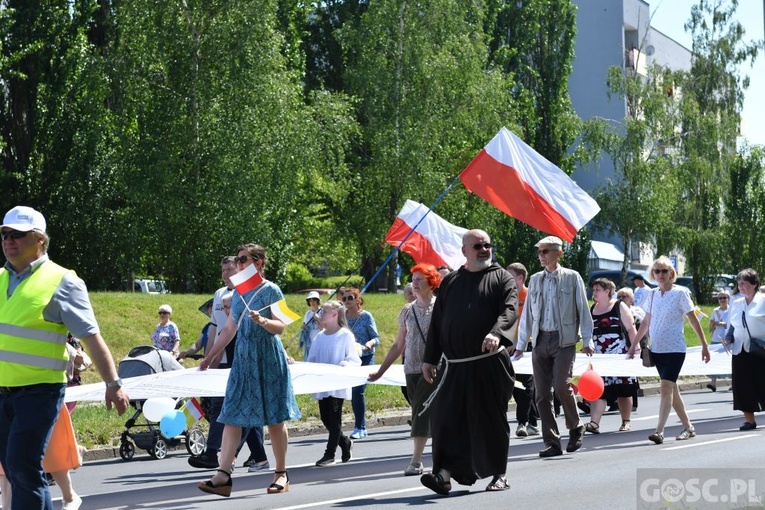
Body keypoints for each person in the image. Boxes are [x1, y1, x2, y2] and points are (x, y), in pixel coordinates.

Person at [0, 205, 129, 509]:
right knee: (15, 470)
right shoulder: (0, 278)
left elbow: (91, 336)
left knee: (22, 467)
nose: (9, 240)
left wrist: (113, 382)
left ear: (39, 239)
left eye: (17, 234)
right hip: (3, 392)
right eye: (5, 234)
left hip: (40, 391)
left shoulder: (62, 281)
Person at [198, 244, 300, 497]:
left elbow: (281, 327)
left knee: (275, 418)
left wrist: (264, 320)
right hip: (243, 360)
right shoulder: (239, 292)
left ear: (259, 262)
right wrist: (210, 356)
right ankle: (223, 475)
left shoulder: (271, 289)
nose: (239, 264)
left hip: (267, 358)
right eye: (238, 260)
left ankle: (281, 474)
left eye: (243, 259)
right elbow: (229, 329)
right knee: (232, 414)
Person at [420, 229, 516, 494]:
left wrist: (496, 333)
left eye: (487, 245)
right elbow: (438, 323)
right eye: (478, 246)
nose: (484, 249)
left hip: (489, 362)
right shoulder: (451, 281)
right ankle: (444, 474)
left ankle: (499, 474)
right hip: (455, 365)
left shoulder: (502, 278)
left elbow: (510, 310)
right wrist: (430, 358)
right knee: (445, 417)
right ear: (465, 251)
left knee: (489, 419)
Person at [515, 236, 593, 458]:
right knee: (541, 394)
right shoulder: (537, 280)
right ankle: (552, 442)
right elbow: (529, 314)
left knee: (561, 386)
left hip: (564, 339)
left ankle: (576, 426)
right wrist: (522, 343)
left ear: (558, 253)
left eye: (546, 251)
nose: (541, 255)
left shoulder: (572, 277)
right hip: (540, 340)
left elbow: (582, 309)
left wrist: (587, 340)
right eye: (539, 251)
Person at [369, 263, 442, 476]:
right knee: (424, 411)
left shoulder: (440, 308)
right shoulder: (407, 311)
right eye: (413, 280)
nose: (415, 284)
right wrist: (381, 371)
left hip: (434, 369)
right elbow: (398, 344)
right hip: (410, 369)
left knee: (421, 411)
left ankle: (416, 461)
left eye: (420, 279)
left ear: (431, 282)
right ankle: (441, 456)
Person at [629, 256, 711, 444]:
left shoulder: (681, 293)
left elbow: (693, 319)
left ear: (671, 273)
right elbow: (646, 321)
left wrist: (704, 345)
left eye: (664, 271)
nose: (660, 274)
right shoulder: (652, 294)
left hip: (674, 348)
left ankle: (659, 431)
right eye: (657, 271)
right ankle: (688, 427)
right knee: (672, 389)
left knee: (666, 387)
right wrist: (634, 344)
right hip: (657, 349)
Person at [186, 257, 237, 470]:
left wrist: (214, 357)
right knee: (220, 407)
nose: (225, 273)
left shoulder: (243, 294)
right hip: (218, 358)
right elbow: (215, 329)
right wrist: (207, 360)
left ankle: (225, 454)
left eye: (229, 269)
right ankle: (214, 453)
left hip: (236, 356)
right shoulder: (218, 295)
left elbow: (230, 331)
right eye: (223, 269)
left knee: (237, 408)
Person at [306, 300, 361, 466]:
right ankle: (345, 442)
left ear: (335, 314)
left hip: (337, 383)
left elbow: (353, 359)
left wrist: (344, 365)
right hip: (323, 383)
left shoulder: (345, 335)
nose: (321, 314)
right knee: (325, 418)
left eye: (325, 311)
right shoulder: (319, 337)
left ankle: (329, 454)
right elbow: (312, 360)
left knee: (334, 418)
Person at [585, 278, 638, 433]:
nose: (594, 293)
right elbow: (587, 331)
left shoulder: (618, 306)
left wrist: (635, 348)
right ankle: (594, 423)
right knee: (599, 390)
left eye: (597, 290)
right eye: (593, 290)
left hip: (619, 355)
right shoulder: (592, 309)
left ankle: (626, 421)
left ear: (607, 292)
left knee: (623, 390)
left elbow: (631, 328)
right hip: (599, 357)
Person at [725, 269, 765, 430]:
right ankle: (749, 420)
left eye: (744, 283)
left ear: (754, 284)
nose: (740, 286)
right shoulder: (736, 303)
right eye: (738, 283)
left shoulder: (763, 301)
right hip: (740, 350)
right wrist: (728, 339)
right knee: (742, 386)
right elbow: (732, 327)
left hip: (761, 350)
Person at [506, 262, 539, 438]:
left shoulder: (529, 296)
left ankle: (522, 423)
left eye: (509, 276)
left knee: (526, 384)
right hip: (509, 345)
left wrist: (519, 342)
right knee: (514, 384)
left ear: (520, 278)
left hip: (527, 345)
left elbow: (529, 323)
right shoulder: (506, 297)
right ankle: (533, 422)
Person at [343, 287, 380, 439]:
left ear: (358, 300)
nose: (346, 301)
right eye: (344, 299)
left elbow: (376, 338)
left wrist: (370, 344)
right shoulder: (342, 317)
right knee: (349, 392)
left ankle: (360, 427)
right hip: (349, 358)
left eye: (350, 298)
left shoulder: (366, 316)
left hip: (365, 357)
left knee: (357, 391)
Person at [708, 290, 731, 392]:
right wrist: (713, 324)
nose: (722, 300)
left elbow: (730, 324)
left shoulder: (731, 310)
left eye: (724, 297)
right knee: (714, 361)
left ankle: (733, 382)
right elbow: (711, 326)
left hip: (727, 338)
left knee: (729, 361)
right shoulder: (715, 310)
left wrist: (720, 323)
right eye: (720, 298)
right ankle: (713, 382)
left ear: (728, 299)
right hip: (716, 338)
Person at [300, 291, 322, 360]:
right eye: (310, 300)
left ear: (318, 301)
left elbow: (325, 327)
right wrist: (304, 327)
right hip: (310, 340)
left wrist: (318, 318)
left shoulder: (322, 311)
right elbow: (304, 325)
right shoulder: (308, 313)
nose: (312, 302)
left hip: (320, 339)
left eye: (314, 300)